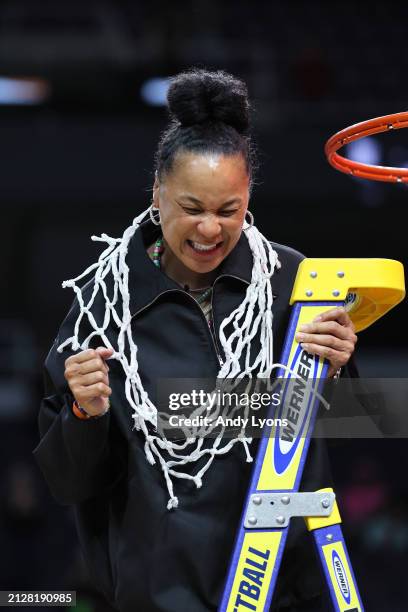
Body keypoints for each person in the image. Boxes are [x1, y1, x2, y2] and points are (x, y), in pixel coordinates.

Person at [33, 69, 357, 611]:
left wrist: (335, 367)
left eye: (227, 210)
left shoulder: (293, 281)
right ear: (157, 194)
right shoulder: (103, 302)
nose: (210, 229)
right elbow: (67, 484)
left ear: (248, 195)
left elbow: (345, 431)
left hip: (284, 589)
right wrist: (84, 414)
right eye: (192, 208)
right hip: (160, 596)